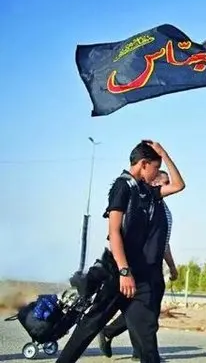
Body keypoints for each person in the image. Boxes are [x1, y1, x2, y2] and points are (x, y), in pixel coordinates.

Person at [56, 141, 185, 363]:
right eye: (156, 167)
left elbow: (178, 185)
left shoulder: (147, 191)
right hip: (118, 273)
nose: (157, 173)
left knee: (147, 337)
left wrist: (163, 153)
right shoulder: (123, 186)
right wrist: (124, 272)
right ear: (143, 164)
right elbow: (114, 232)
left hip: (142, 277)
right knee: (90, 325)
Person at [96, 170, 179, 360]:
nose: (167, 186)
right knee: (144, 310)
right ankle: (140, 351)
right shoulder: (144, 204)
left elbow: (164, 242)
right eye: (164, 182)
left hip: (155, 265)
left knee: (146, 310)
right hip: (141, 264)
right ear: (154, 182)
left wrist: (172, 266)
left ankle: (115, 336)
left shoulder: (162, 208)